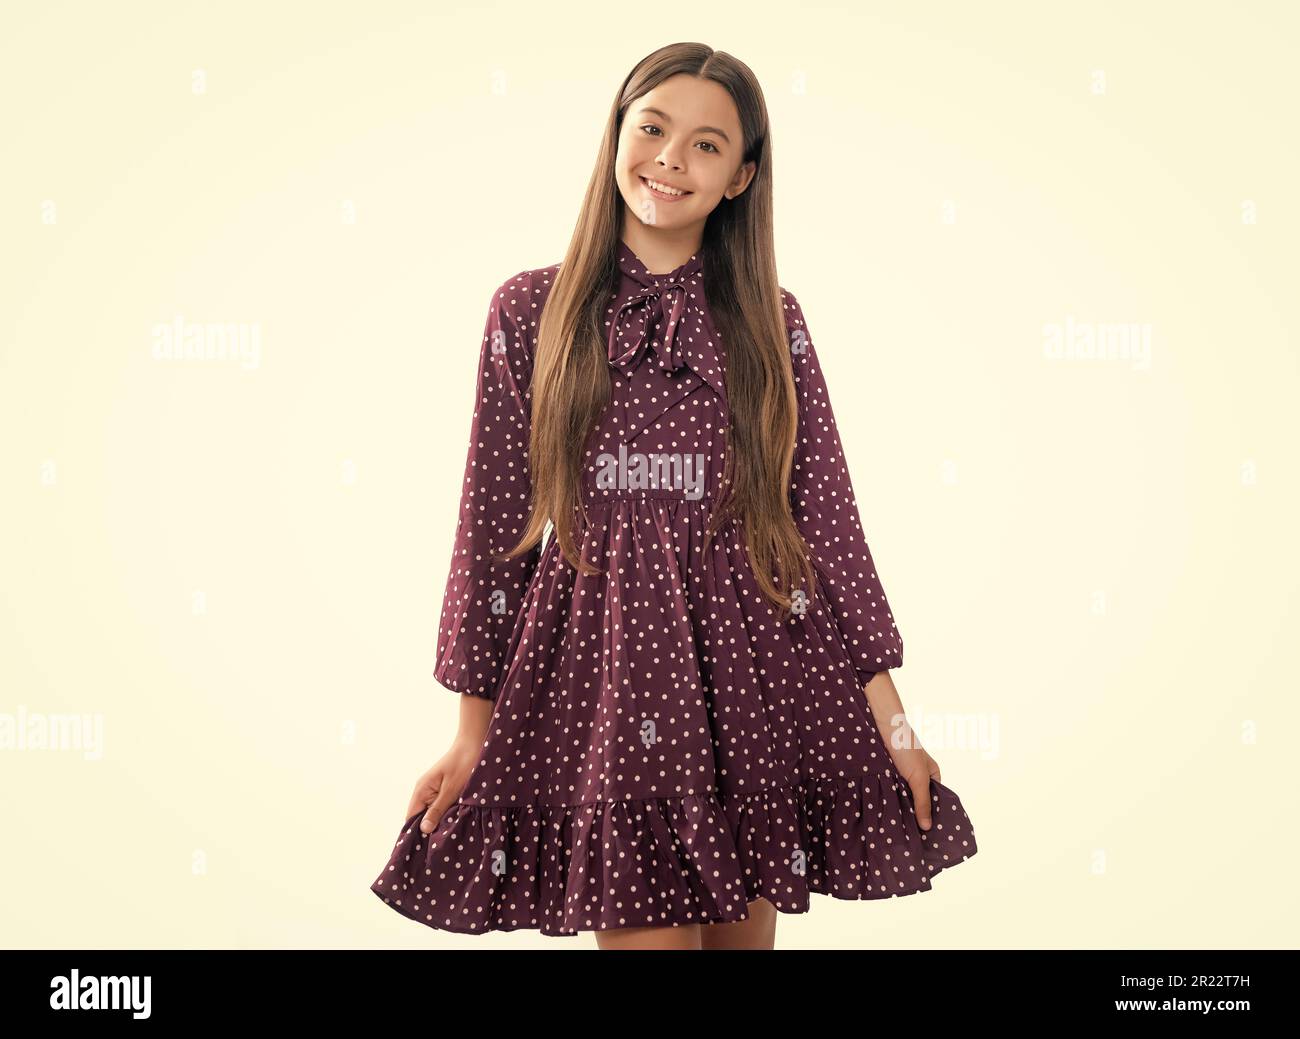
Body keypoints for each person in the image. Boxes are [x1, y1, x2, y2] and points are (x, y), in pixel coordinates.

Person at [370, 42, 978, 950]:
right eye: (652, 128)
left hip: (751, 677)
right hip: (600, 683)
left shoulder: (772, 322)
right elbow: (491, 526)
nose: (668, 158)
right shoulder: (528, 311)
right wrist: (472, 729)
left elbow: (827, 525)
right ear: (616, 132)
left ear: (741, 176)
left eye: (705, 144)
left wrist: (894, 726)